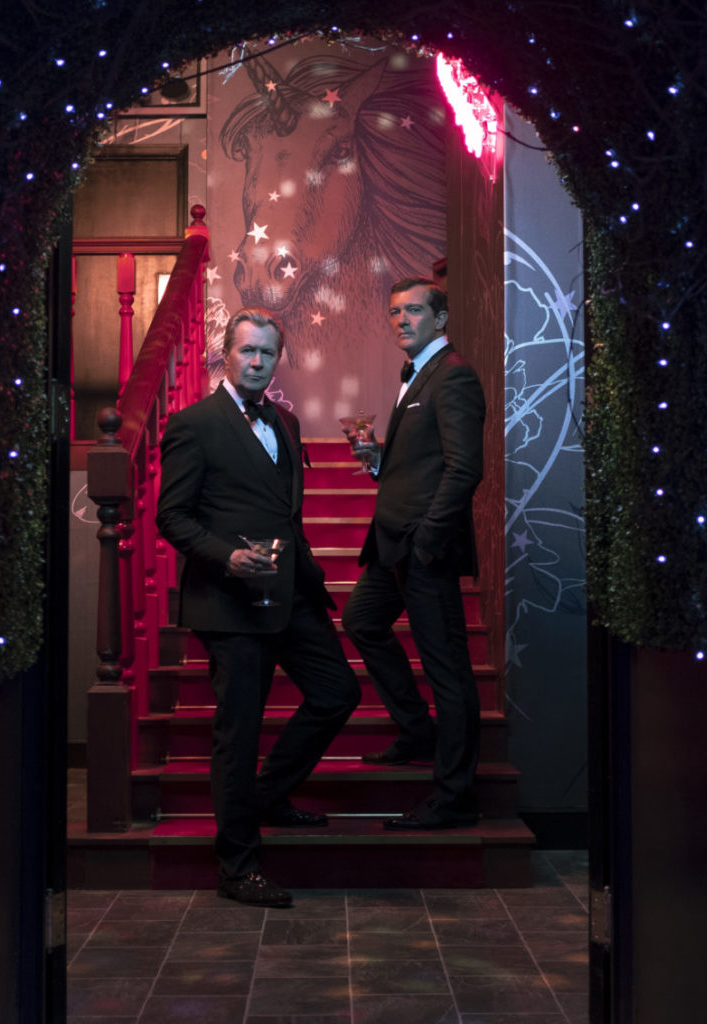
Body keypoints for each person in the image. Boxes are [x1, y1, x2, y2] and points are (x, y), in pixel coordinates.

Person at [156, 308, 361, 907]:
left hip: (290, 590)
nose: (256, 361)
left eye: (267, 353)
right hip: (230, 601)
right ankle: (238, 867)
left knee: (337, 693)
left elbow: (285, 511)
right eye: (247, 350)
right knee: (238, 735)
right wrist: (226, 556)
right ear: (226, 354)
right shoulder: (193, 424)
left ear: (278, 359)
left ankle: (267, 795)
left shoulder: (286, 421)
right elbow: (172, 516)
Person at [341, 277, 486, 830]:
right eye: (395, 311)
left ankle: (454, 798)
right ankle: (418, 730)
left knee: (447, 670)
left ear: (440, 319)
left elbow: (464, 469)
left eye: (415, 310)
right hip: (391, 543)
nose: (402, 319)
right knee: (362, 622)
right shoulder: (417, 373)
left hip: (423, 547)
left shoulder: (454, 375)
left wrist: (427, 540)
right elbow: (418, 464)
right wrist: (377, 457)